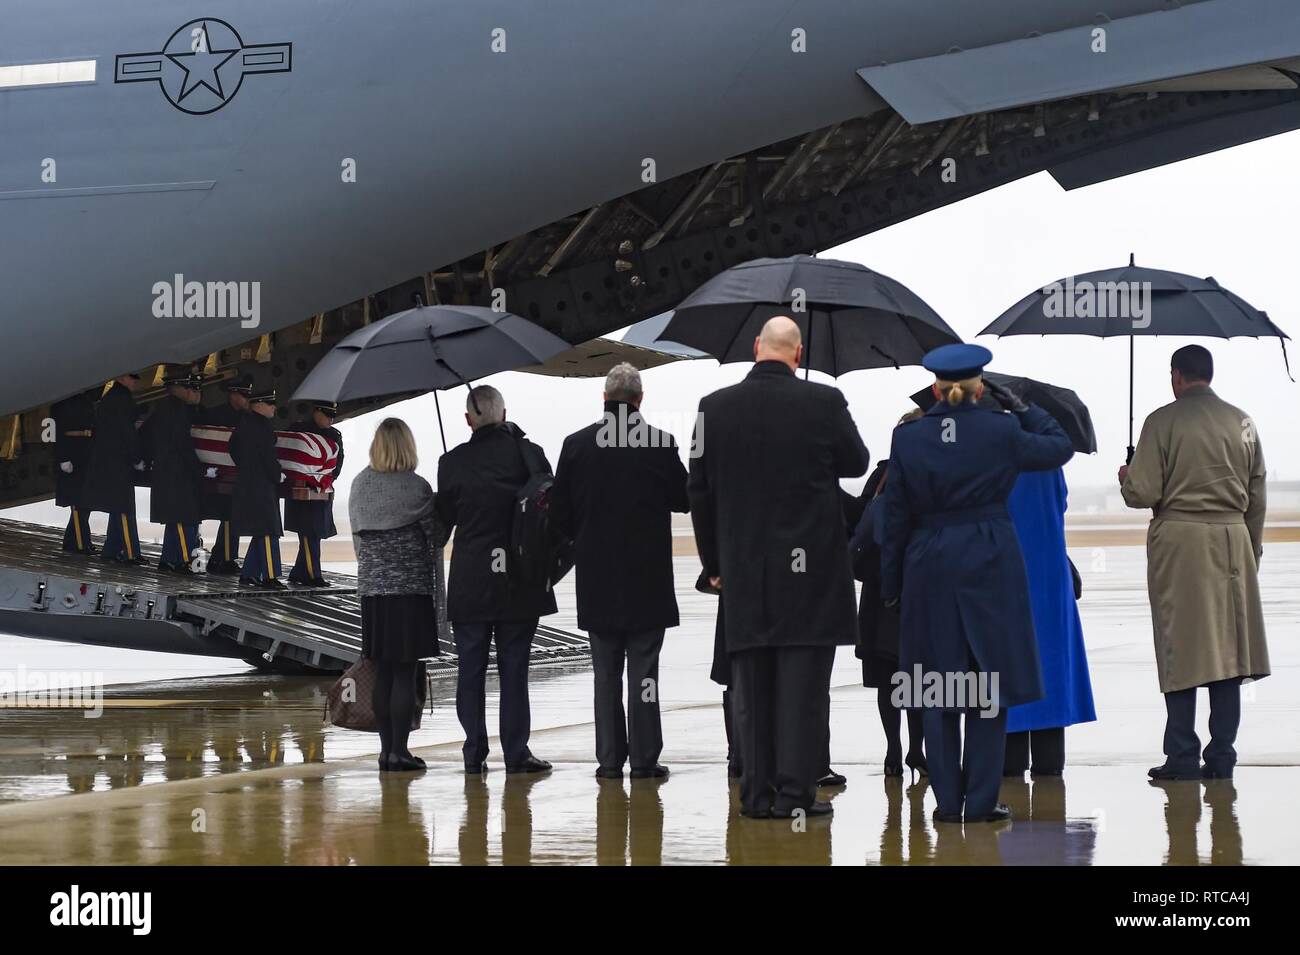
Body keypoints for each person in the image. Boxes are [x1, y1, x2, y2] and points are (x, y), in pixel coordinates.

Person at [876, 344, 1073, 824]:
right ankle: (981, 803)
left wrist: (891, 583)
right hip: (990, 559)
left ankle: (947, 802)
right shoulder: (1002, 430)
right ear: (981, 387)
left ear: (937, 389)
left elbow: (894, 519)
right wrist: (1024, 408)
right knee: (988, 682)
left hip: (929, 563)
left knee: (938, 684)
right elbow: (1059, 446)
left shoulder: (911, 438)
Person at [688, 316, 869, 819]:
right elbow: (856, 462)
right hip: (810, 575)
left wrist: (714, 564)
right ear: (798, 353)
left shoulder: (712, 409)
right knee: (802, 691)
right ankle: (794, 796)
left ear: (754, 348)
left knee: (752, 689)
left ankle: (756, 795)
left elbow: (697, 489)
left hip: (745, 571)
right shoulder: (824, 403)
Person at [1119, 345, 1269, 780]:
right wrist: (1250, 552)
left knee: (1179, 646)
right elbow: (1257, 497)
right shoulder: (1242, 422)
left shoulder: (1161, 421)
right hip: (1233, 542)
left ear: (1177, 376)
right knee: (1229, 654)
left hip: (1181, 543)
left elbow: (1143, 493)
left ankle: (1182, 754)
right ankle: (1222, 755)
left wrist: (1128, 477)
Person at [551, 362, 689, 780]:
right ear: (640, 399)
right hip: (648, 581)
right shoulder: (660, 443)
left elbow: (559, 517)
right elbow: (684, 500)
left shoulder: (576, 446)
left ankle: (610, 759)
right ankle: (645, 759)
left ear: (605, 399)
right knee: (644, 673)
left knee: (605, 674)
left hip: (598, 581)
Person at [435, 385, 556, 775]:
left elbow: (441, 527)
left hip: (471, 581)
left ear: (468, 420)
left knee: (470, 669)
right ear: (505, 414)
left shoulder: (451, 462)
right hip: (519, 578)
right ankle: (517, 753)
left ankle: (474, 753)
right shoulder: (530, 454)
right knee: (515, 668)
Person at [349, 418, 448, 773]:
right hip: (410, 592)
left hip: (374, 593)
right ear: (408, 447)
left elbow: (360, 541)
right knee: (406, 673)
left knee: (383, 672)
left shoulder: (360, 485)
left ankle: (386, 751)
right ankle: (401, 751)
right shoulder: (417, 488)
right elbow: (436, 538)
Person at [1003, 466, 1097, 777]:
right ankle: (1049, 765)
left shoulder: (989, 450)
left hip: (1004, 565)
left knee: (1008, 673)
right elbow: (1061, 502)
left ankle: (1011, 764)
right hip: (1048, 569)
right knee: (1050, 672)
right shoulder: (1048, 458)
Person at [848, 410, 927, 779]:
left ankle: (894, 751)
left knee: (887, 677)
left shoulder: (882, 474)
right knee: (918, 676)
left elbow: (859, 522)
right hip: (918, 586)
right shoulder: (930, 474)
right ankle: (915, 749)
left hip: (879, 589)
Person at [143, 369, 208, 574]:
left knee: (174, 519)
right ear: (177, 388)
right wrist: (200, 469)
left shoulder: (162, 408)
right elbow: (183, 445)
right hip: (178, 473)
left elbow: (145, 433)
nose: (191, 392)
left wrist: (145, 459)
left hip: (165, 471)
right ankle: (181, 560)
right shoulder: (177, 411)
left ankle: (168, 559)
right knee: (184, 519)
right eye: (187, 387)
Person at [83, 373, 146, 565]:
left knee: (117, 506)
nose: (136, 381)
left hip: (108, 460)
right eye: (133, 378)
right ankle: (130, 552)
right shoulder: (122, 401)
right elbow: (128, 433)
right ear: (122, 378)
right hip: (119, 462)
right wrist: (137, 458)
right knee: (124, 507)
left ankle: (111, 550)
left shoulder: (110, 399)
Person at [230, 389, 285, 588]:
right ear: (259, 405)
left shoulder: (244, 424)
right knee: (269, 531)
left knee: (261, 530)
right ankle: (270, 576)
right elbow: (268, 458)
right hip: (261, 486)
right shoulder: (262, 428)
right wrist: (278, 474)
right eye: (271, 404)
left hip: (247, 483)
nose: (274, 408)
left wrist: (246, 469)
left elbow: (233, 449)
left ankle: (249, 573)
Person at [286, 402, 344, 587]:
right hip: (303, 492)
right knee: (308, 533)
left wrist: (322, 480)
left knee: (314, 533)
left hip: (320, 491)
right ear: (316, 412)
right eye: (327, 414)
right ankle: (313, 574)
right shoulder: (298, 430)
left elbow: (337, 463)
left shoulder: (334, 435)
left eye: (332, 415)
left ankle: (299, 572)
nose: (330, 419)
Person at [198, 376, 253, 575]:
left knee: (231, 517)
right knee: (225, 515)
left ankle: (224, 557)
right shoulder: (215, 416)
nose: (246, 400)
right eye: (243, 395)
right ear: (232, 394)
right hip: (215, 475)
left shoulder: (246, 417)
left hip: (233, 477)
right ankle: (222, 558)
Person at [51, 389, 98, 555]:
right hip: (72, 458)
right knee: (79, 503)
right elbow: (59, 432)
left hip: (84, 457)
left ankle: (75, 541)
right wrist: (63, 458)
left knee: (84, 503)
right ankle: (79, 542)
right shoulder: (63, 402)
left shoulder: (84, 398)